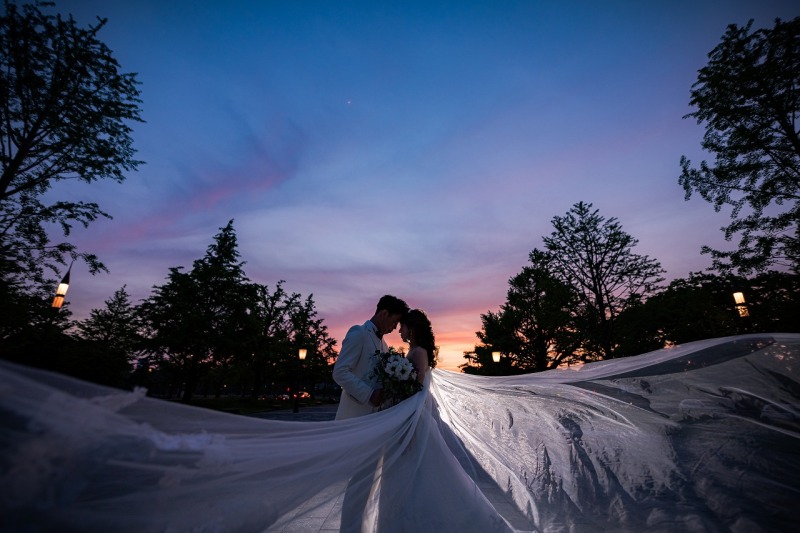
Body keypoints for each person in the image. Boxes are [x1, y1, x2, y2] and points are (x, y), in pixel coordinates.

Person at [333, 294, 410, 420]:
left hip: (374, 418)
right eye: (395, 322)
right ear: (384, 314)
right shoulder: (358, 333)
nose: (395, 327)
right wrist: (369, 394)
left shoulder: (385, 345)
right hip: (353, 415)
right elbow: (340, 372)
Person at [398, 308, 437, 384]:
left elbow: (419, 383)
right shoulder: (413, 349)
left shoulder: (419, 351)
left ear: (411, 328)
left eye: (402, 326)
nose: (400, 331)